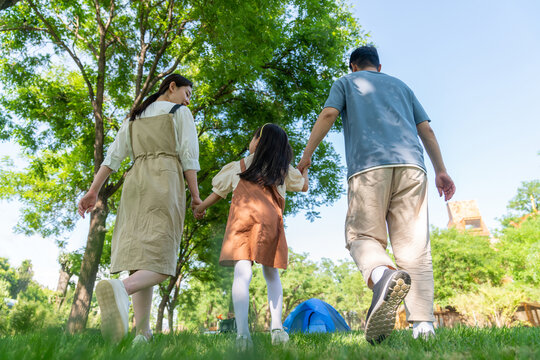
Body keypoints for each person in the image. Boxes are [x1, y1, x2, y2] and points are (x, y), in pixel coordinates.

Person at [297, 46, 456, 343]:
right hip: (413, 167)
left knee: (361, 236)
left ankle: (381, 274)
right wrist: (441, 170)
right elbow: (427, 131)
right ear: (379, 67)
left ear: (353, 66)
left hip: (369, 167)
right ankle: (423, 327)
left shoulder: (346, 82)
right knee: (415, 248)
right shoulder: (402, 87)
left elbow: (329, 113)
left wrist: (307, 156)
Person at [77, 74, 201, 344]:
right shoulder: (180, 113)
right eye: (187, 93)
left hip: (135, 184)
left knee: (141, 259)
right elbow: (189, 156)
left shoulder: (134, 118)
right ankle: (122, 289)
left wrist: (93, 190)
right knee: (162, 258)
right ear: (172, 87)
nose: (188, 100)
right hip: (165, 180)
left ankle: (142, 334)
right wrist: (196, 196)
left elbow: (113, 157)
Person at [194, 123, 308, 350]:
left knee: (242, 274)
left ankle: (243, 335)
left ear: (258, 141)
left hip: (242, 222)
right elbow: (303, 186)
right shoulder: (283, 169)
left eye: (253, 138)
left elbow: (218, 193)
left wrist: (200, 207)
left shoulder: (239, 166)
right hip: (269, 223)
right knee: (271, 274)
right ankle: (277, 330)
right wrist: (305, 168)